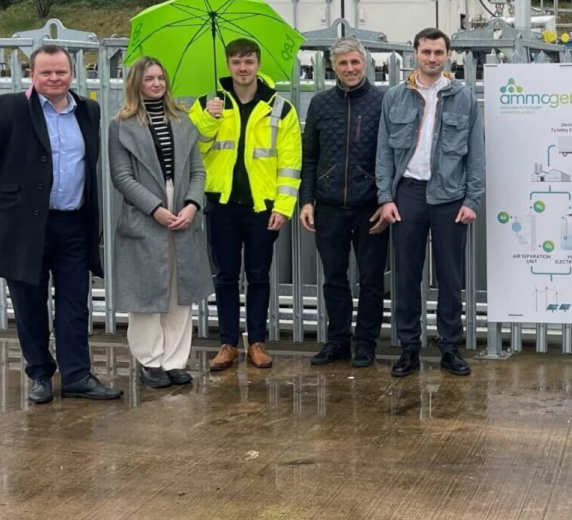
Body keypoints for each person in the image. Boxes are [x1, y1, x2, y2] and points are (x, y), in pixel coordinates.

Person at [0, 44, 121, 403]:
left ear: (72, 74)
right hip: (23, 228)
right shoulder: (5, 109)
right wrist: (4, 198)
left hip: (74, 224)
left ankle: (77, 375)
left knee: (74, 304)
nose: (54, 78)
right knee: (30, 306)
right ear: (31, 75)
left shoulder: (88, 111)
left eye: (61, 72)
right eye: (46, 72)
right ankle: (40, 374)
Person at [375, 28, 483, 379]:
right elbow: (383, 152)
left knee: (450, 277)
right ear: (415, 54)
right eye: (426, 52)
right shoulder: (395, 97)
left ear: (448, 55)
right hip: (407, 193)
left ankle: (450, 347)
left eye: (438, 52)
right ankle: (409, 347)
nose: (432, 58)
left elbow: (476, 153)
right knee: (406, 275)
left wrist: (473, 199)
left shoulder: (463, 97)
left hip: (450, 196)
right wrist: (385, 197)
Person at [190, 38, 302, 372]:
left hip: (262, 206)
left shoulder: (281, 108)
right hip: (220, 204)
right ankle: (227, 344)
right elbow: (192, 151)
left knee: (258, 276)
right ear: (228, 65)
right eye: (237, 62)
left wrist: (283, 206)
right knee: (225, 276)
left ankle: (256, 342)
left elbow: (290, 162)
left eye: (249, 61)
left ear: (258, 64)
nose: (243, 68)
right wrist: (209, 120)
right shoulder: (207, 104)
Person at [107, 57, 213, 389]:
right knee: (146, 290)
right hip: (146, 213)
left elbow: (198, 171)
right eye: (149, 78)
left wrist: (193, 204)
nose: (156, 83)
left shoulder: (182, 120)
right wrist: (154, 208)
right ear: (136, 83)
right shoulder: (121, 125)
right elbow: (122, 177)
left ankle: (175, 360)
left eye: (161, 78)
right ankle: (150, 360)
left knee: (180, 290)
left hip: (182, 208)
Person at [300, 37, 391, 368]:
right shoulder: (320, 104)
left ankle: (365, 344)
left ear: (364, 63)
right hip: (328, 206)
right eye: (343, 63)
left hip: (370, 207)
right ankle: (337, 340)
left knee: (371, 279)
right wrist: (306, 200)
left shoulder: (383, 102)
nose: (350, 68)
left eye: (355, 62)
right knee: (334, 278)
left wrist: (386, 200)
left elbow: (392, 155)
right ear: (333, 67)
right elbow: (309, 156)